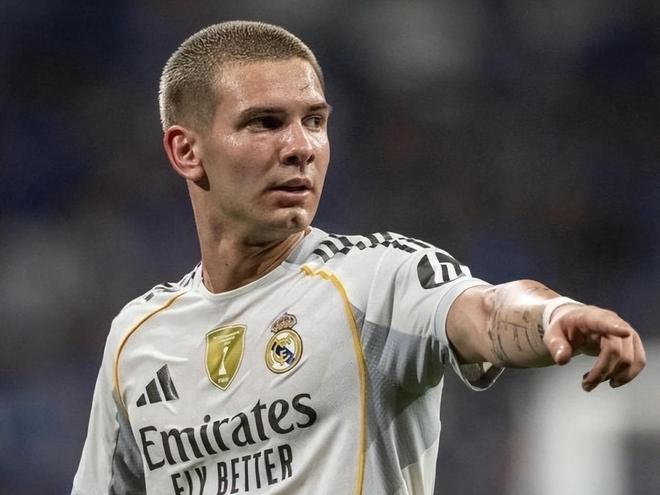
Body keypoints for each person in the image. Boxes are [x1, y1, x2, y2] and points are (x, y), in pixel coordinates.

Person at [71, 20, 646, 495]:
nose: (300, 147)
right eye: (265, 123)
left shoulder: (377, 280)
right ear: (186, 151)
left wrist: (552, 315)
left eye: (314, 122)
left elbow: (489, 310)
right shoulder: (136, 340)